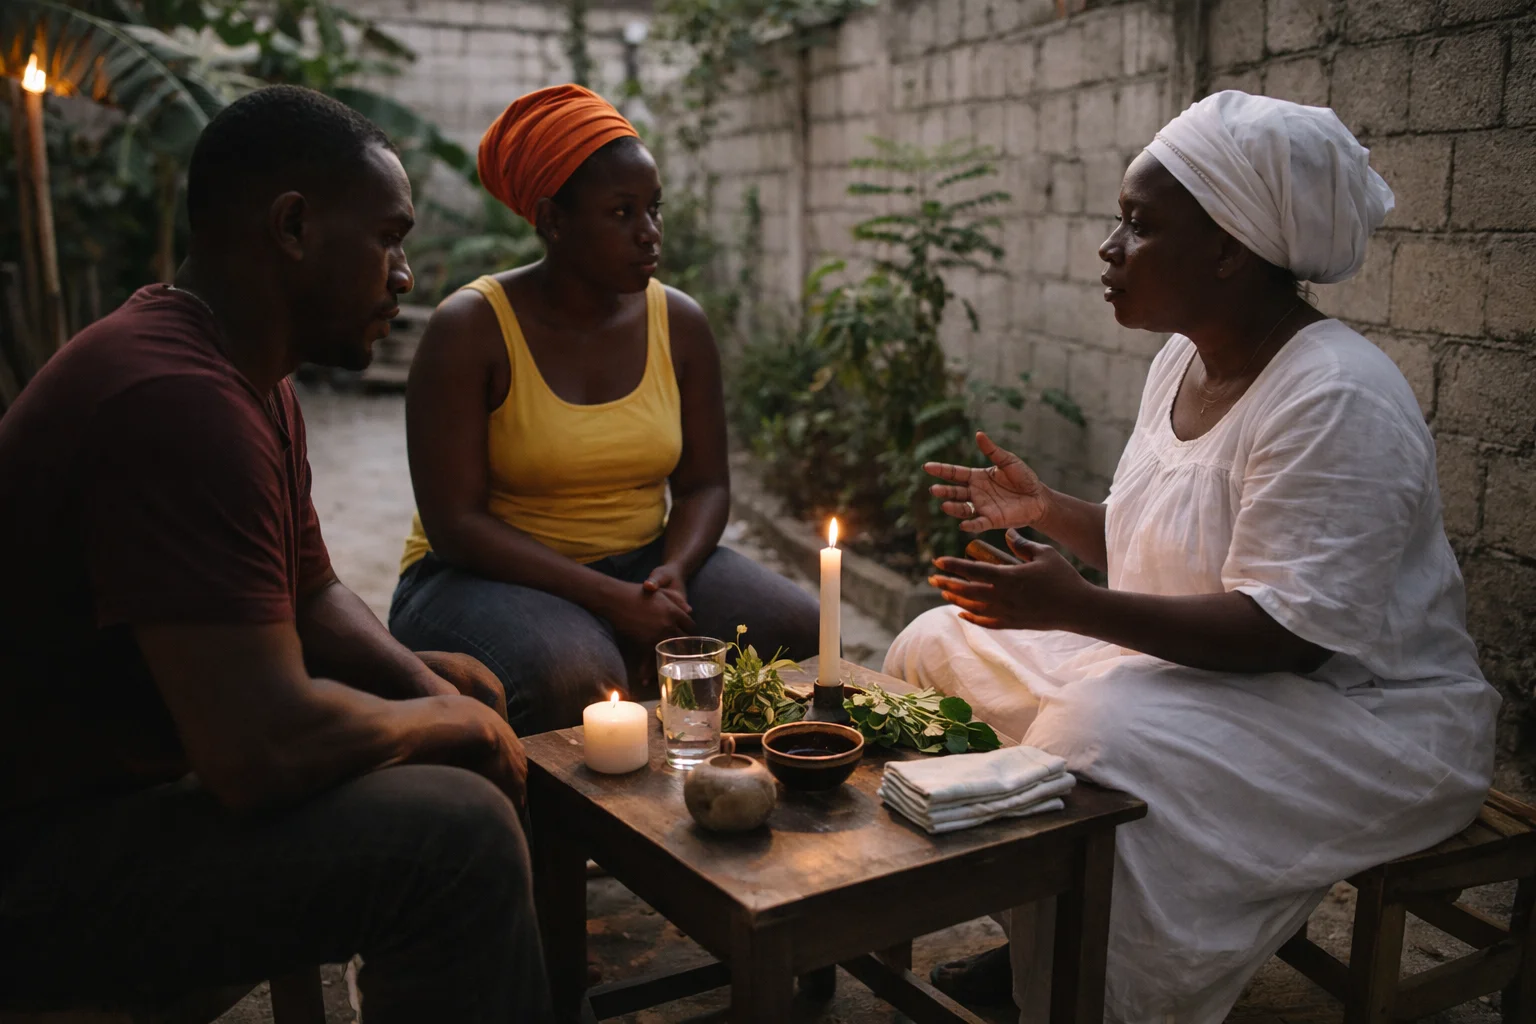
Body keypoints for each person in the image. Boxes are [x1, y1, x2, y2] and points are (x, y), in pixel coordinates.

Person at [888, 91, 1499, 1023]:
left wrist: (1076, 609)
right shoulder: (1181, 357)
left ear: (1229, 250)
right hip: (1204, 676)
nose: (1109, 247)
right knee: (932, 649)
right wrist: (1053, 513)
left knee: (1097, 734)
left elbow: (1285, 635)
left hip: (1364, 723)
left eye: (1139, 226)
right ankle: (1042, 945)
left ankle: (1093, 989)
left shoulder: (1336, 397)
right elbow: (1165, 553)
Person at [0, 86, 552, 1023]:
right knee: (457, 838)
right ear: (293, 227)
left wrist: (434, 689)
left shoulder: (249, 378)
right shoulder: (174, 401)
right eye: (389, 239)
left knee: (465, 692)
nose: (406, 276)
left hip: (113, 796)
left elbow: (313, 593)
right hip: (42, 860)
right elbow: (259, 750)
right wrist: (448, 725)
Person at [389, 84, 820, 736]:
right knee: (579, 678)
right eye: (622, 213)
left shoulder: (679, 322)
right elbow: (457, 526)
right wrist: (611, 600)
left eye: (654, 209)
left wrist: (670, 572)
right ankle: (556, 835)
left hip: (643, 563)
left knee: (794, 626)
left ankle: (722, 800)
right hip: (474, 576)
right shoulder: (471, 328)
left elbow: (705, 485)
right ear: (552, 220)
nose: (650, 234)